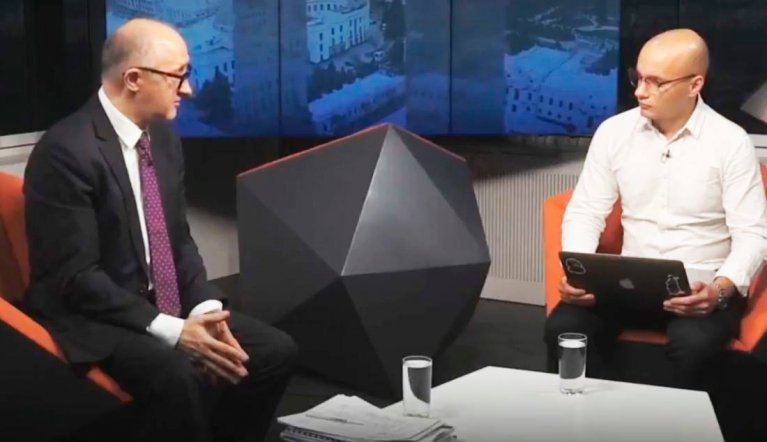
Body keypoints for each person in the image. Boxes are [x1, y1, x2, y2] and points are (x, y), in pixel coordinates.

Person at [23, 18, 297, 442]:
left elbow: (177, 241)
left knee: (274, 352)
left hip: (158, 306)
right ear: (133, 79)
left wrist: (205, 311)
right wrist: (175, 331)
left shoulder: (164, 139)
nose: (188, 90)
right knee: (177, 374)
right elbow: (76, 279)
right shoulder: (65, 152)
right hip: (90, 317)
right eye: (178, 76)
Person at [544, 29, 767, 389]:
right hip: (626, 285)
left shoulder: (730, 142)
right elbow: (585, 210)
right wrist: (579, 272)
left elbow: (753, 233)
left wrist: (720, 289)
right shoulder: (614, 133)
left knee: (694, 344)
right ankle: (585, 416)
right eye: (638, 77)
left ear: (695, 84)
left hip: (701, 290)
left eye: (656, 82)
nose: (640, 92)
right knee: (564, 328)